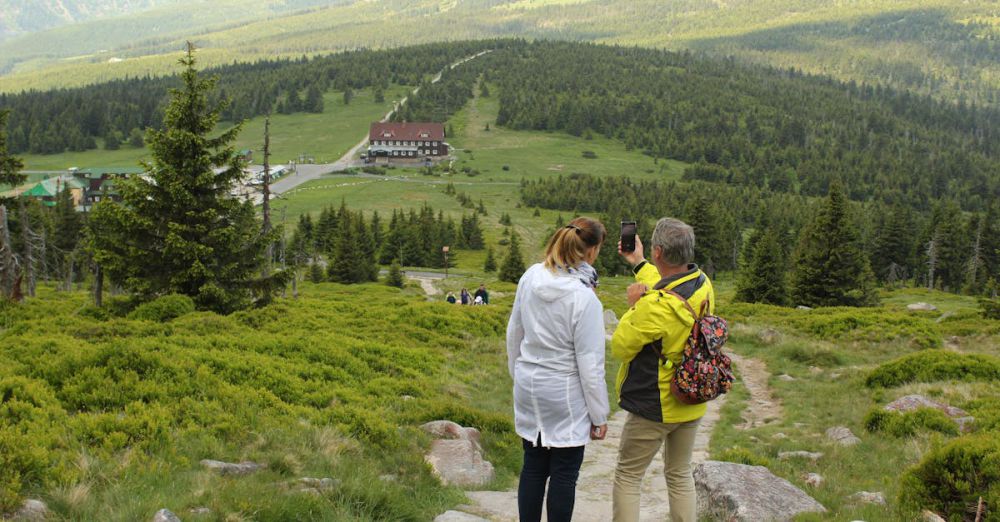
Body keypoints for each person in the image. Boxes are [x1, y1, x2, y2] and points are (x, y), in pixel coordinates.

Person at [611, 218, 715, 522]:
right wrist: (639, 262)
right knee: (680, 473)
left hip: (654, 404)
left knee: (629, 476)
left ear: (659, 251)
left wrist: (633, 305)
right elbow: (670, 285)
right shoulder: (703, 283)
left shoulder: (653, 306)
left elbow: (621, 346)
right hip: (691, 399)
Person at [506, 217, 610, 522]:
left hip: (529, 383)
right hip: (564, 392)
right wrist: (599, 415)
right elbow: (590, 365)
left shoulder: (530, 277)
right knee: (564, 474)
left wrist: (519, 374)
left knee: (533, 466)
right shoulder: (584, 298)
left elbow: (515, 332)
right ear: (591, 252)